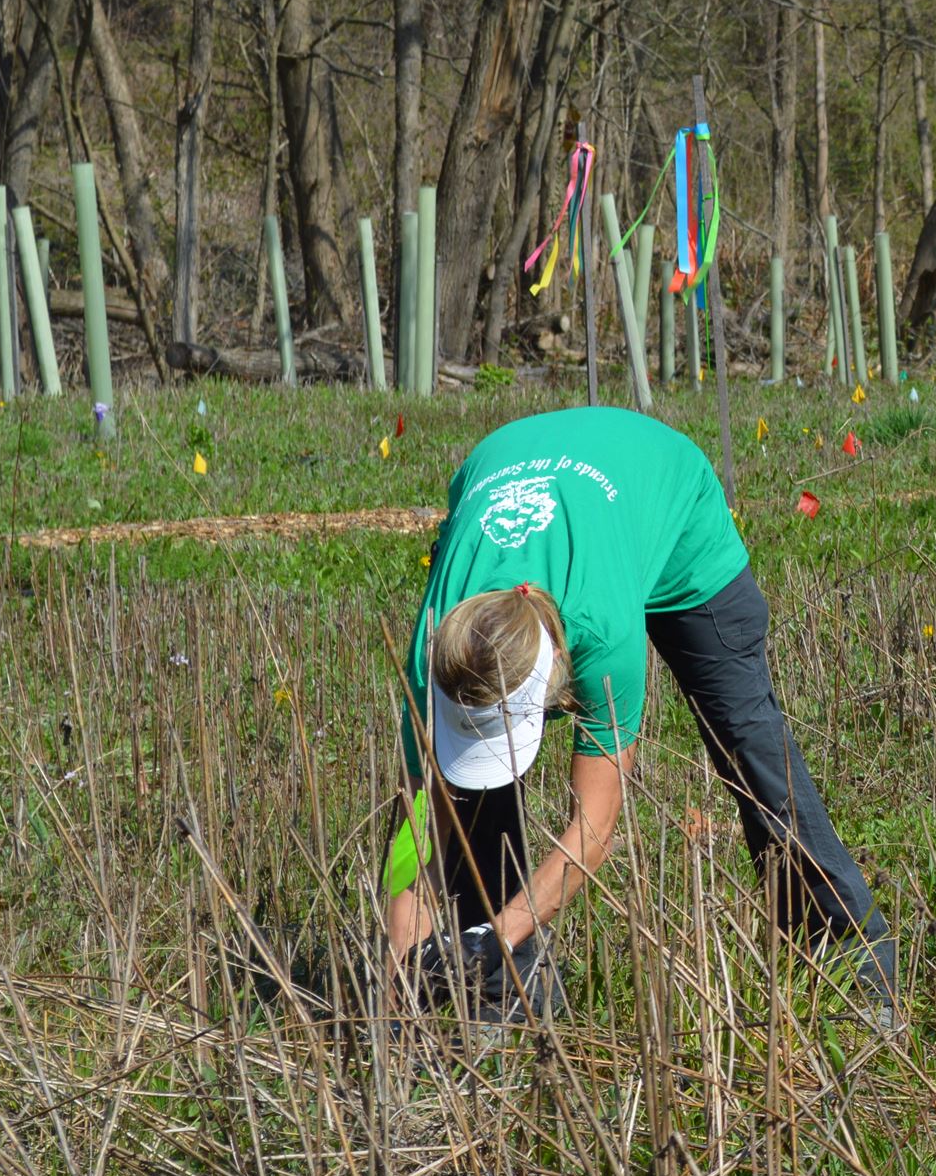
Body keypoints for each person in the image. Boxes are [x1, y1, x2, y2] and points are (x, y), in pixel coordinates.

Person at [381, 406, 895, 1020]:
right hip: (514, 458)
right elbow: (417, 831)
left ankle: (848, 957)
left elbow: (593, 830)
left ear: (554, 685)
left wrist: (495, 932)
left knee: (747, 739)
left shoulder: (603, 639)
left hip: (667, 500)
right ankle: (503, 990)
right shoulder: (435, 648)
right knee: (469, 797)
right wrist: (399, 968)